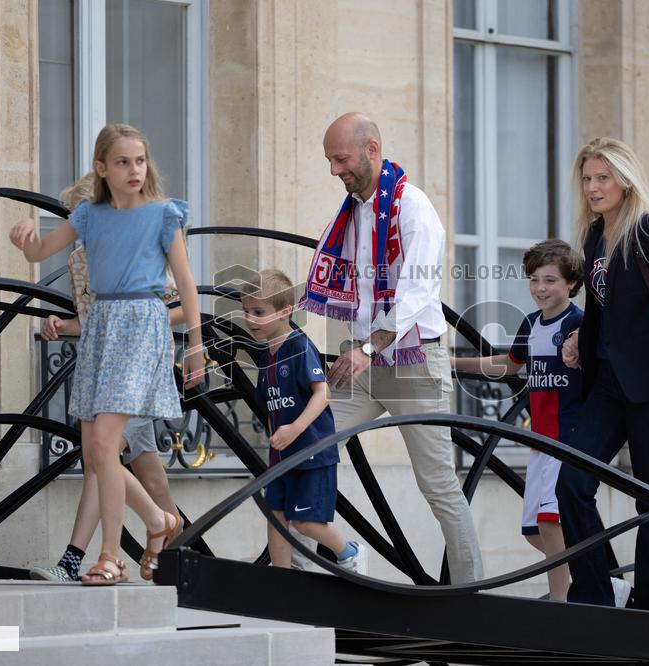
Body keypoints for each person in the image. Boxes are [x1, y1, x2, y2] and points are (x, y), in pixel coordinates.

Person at [9, 123, 204, 585]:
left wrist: (195, 346)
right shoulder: (89, 215)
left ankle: (110, 556)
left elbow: (188, 284)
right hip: (100, 329)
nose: (134, 169)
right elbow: (38, 253)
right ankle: (158, 523)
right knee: (97, 454)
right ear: (102, 168)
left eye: (139, 160)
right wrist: (25, 237)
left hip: (140, 326)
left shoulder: (163, 215)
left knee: (102, 445)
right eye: (122, 162)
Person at [301, 112, 484, 583]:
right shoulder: (354, 212)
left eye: (340, 158)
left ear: (372, 148)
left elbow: (417, 295)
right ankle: (311, 567)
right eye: (329, 160)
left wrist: (364, 348)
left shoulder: (413, 207)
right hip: (364, 363)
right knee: (304, 445)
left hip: (412, 361)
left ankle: (473, 598)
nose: (334, 170)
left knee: (439, 486)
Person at [558, 137, 649, 611]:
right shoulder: (596, 236)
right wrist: (581, 338)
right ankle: (599, 593)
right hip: (608, 385)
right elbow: (601, 303)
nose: (593, 188)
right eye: (587, 178)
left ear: (625, 180)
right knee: (572, 484)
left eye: (603, 178)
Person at [451, 239, 589, 601]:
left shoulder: (581, 325)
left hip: (568, 443)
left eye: (550, 281)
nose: (540, 289)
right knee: (532, 532)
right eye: (534, 280)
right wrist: (452, 363)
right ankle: (595, 580)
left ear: (572, 283)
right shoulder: (530, 323)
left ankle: (561, 601)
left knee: (550, 523)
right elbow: (507, 365)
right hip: (539, 443)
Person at [240, 269, 367, 573]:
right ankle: (283, 583)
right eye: (246, 311)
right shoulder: (268, 357)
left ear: (285, 311)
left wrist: (295, 429)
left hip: (311, 452)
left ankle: (350, 552)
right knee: (276, 517)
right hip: (283, 457)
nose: (250, 319)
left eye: (259, 312)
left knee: (306, 522)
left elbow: (323, 394)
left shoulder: (298, 347)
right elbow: (274, 409)